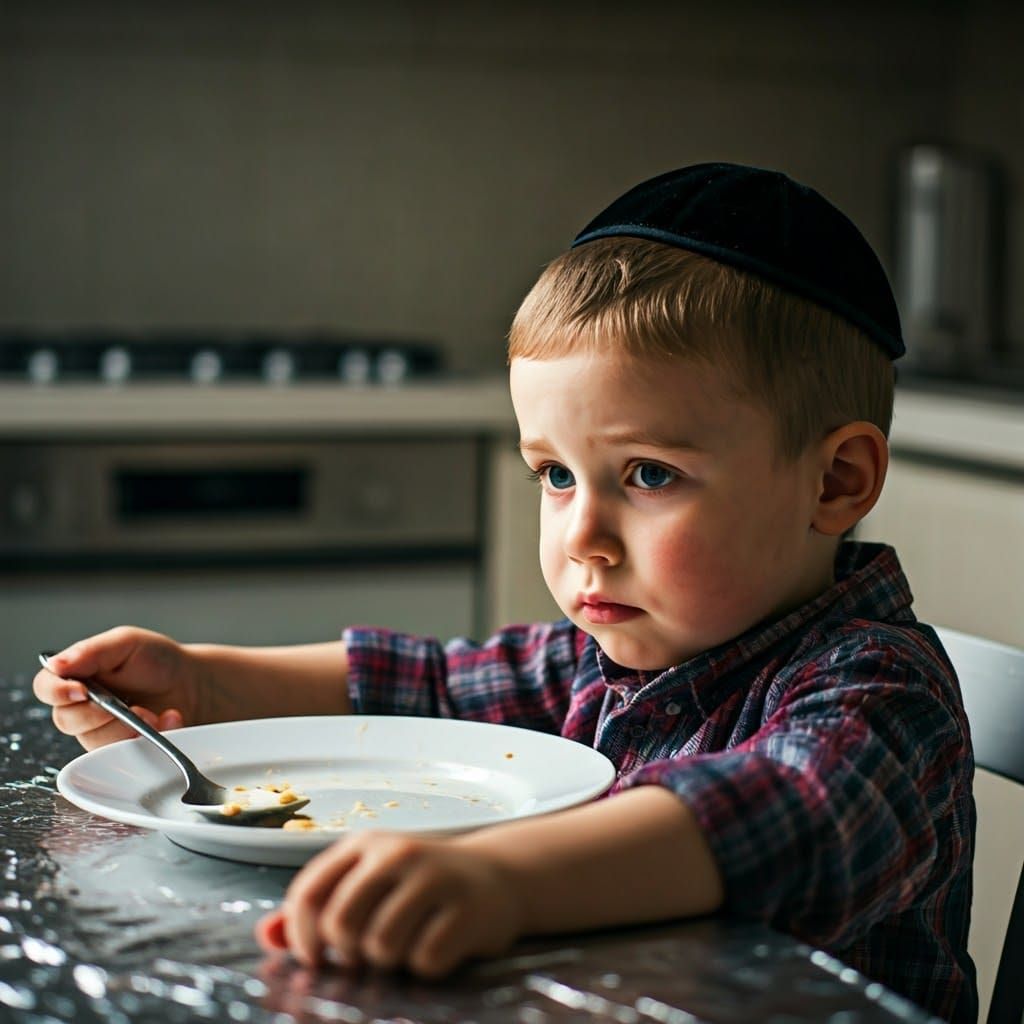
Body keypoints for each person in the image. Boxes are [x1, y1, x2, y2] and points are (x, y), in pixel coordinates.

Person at [33, 163, 976, 1023]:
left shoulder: (883, 694)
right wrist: (206, 687)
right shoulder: (611, 651)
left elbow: (780, 813)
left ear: (836, 482)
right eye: (555, 476)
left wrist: (499, 881)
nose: (582, 538)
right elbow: (426, 687)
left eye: (648, 475)